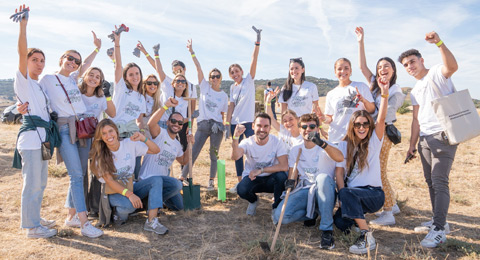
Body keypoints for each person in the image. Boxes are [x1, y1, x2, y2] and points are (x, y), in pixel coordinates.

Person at [39, 30, 103, 237]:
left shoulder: (74, 78)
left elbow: (86, 65)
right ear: (61, 59)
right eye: (70, 58)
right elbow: (37, 100)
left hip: (83, 128)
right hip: (65, 129)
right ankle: (84, 224)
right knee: (76, 175)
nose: (73, 63)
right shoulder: (48, 79)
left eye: (76, 61)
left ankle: (71, 216)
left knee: (80, 173)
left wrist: (97, 48)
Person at [399, 31, 458, 248]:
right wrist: (411, 145)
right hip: (424, 139)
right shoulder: (414, 89)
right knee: (431, 181)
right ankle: (438, 220)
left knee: (440, 180)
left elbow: (451, 67)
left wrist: (439, 43)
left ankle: (440, 230)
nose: (409, 66)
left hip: (443, 135)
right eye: (405, 64)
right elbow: (415, 119)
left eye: (412, 61)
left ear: (421, 60)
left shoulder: (435, 73)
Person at [11, 5, 58, 238]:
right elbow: (21, 53)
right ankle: (31, 228)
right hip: (30, 141)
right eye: (35, 59)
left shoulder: (39, 87)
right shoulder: (24, 81)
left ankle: (36, 218)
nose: (39, 64)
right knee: (32, 185)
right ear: (27, 61)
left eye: (42, 60)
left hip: (45, 140)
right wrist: (23, 25)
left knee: (41, 183)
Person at [333, 76, 389, 254]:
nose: (362, 127)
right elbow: (339, 174)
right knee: (339, 221)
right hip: (351, 195)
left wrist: (385, 94)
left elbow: (381, 120)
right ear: (352, 126)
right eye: (358, 124)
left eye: (365, 124)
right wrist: (342, 198)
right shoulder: (344, 145)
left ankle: (366, 236)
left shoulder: (373, 142)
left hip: (373, 195)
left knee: (347, 192)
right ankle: (358, 222)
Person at [355, 26, 406, 225]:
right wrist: (361, 42)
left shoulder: (396, 91)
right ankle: (392, 204)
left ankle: (388, 213)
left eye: (386, 67)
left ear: (393, 70)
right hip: (372, 132)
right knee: (378, 169)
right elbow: (362, 67)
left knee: (379, 171)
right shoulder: (376, 83)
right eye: (379, 67)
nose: (382, 70)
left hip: (382, 133)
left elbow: (384, 117)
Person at [272, 113, 343, 250]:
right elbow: (293, 173)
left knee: (321, 178)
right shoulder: (296, 149)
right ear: (299, 129)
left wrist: (321, 143)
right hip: (305, 189)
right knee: (281, 217)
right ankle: (313, 213)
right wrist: (290, 183)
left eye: (312, 126)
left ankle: (327, 230)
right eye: (304, 126)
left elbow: (340, 158)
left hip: (324, 189)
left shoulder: (327, 146)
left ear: (317, 128)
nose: (308, 129)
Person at [89, 119, 168, 234]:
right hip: (114, 193)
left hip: (131, 186)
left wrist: (143, 138)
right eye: (104, 133)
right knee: (129, 206)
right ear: (100, 137)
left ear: (116, 131)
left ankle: (151, 221)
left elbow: (156, 150)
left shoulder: (128, 144)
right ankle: (118, 214)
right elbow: (110, 182)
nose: (109, 136)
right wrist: (130, 195)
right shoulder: (100, 155)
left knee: (156, 180)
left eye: (111, 131)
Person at [180, 40, 228, 190]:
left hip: (217, 127)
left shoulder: (224, 96)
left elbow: (222, 113)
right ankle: (182, 177)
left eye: (217, 76)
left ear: (221, 78)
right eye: (212, 76)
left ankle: (211, 181)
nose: (214, 78)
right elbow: (198, 67)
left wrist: (224, 128)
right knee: (193, 153)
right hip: (203, 125)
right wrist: (191, 52)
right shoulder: (205, 87)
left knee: (214, 155)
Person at [137, 41, 198, 152]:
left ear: (185, 69)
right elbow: (158, 69)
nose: (178, 77)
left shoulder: (191, 88)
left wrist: (190, 126)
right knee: (157, 151)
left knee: (177, 150)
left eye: (179, 71)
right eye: (175, 73)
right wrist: (154, 53)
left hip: (179, 124)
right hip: (162, 123)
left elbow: (192, 110)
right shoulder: (168, 84)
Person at [140, 97, 194, 211]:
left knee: (180, 207)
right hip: (148, 180)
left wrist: (190, 144)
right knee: (178, 185)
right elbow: (151, 123)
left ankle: (156, 201)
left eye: (180, 123)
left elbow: (184, 161)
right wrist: (165, 106)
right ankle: (151, 203)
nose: (177, 124)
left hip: (163, 182)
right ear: (168, 122)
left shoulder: (177, 145)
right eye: (174, 121)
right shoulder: (160, 133)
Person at [226, 26, 262, 193]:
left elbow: (254, 60)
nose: (235, 74)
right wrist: (228, 123)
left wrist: (257, 41)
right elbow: (231, 105)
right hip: (236, 123)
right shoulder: (233, 88)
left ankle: (255, 179)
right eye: (232, 73)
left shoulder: (249, 81)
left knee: (254, 152)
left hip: (249, 122)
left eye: (237, 71)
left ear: (242, 71)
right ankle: (240, 182)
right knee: (238, 153)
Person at [232, 113, 288, 215]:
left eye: (266, 126)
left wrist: (261, 170)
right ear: (253, 126)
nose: (262, 129)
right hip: (253, 178)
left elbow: (284, 166)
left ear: (270, 128)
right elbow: (235, 157)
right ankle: (253, 201)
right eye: (259, 126)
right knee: (241, 190)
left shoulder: (277, 142)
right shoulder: (247, 142)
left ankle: (276, 208)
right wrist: (236, 137)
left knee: (281, 177)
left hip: (271, 179)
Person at [79, 67, 116, 218]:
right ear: (85, 76)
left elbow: (112, 113)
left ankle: (94, 208)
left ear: (101, 81)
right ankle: (81, 208)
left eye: (98, 77)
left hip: (94, 139)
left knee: (96, 173)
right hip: (78, 138)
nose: (94, 78)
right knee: (80, 174)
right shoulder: (77, 94)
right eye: (91, 75)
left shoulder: (100, 98)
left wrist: (107, 95)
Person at [110, 27, 146, 180]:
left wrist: (139, 132)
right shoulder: (121, 89)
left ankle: (135, 191)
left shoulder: (141, 98)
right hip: (115, 132)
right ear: (125, 77)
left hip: (130, 134)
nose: (134, 76)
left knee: (134, 165)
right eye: (131, 74)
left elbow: (139, 119)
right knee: (116, 166)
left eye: (137, 73)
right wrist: (117, 44)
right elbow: (118, 66)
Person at [324, 58, 375, 143]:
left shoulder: (361, 86)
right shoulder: (331, 94)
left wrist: (363, 100)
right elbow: (329, 118)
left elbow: (372, 110)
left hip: (357, 137)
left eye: (346, 68)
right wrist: (322, 118)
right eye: (339, 69)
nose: (343, 71)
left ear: (351, 71)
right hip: (336, 138)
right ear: (335, 72)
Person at [138, 73, 161, 139]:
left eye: (155, 83)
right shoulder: (139, 98)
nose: (152, 85)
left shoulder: (158, 102)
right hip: (141, 131)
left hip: (152, 133)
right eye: (149, 83)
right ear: (144, 85)